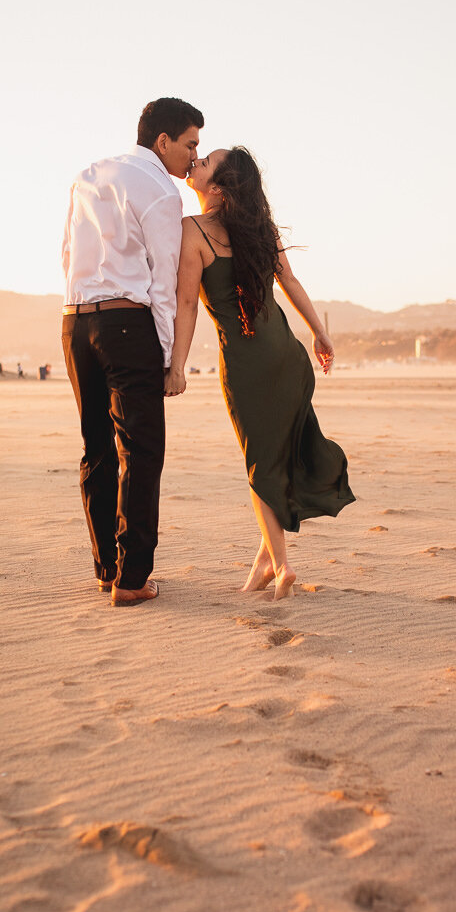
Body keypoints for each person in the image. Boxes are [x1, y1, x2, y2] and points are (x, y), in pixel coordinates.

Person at [166, 147, 354, 598]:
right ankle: (265, 563)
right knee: (270, 459)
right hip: (288, 357)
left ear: (218, 186)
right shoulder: (258, 231)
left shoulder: (192, 231)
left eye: (205, 160)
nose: (196, 162)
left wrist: (177, 366)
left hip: (247, 365)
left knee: (259, 466)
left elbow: (188, 305)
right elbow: (290, 283)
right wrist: (320, 334)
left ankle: (284, 565)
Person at [61, 97, 203, 608]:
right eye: (190, 144)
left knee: (96, 448)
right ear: (162, 142)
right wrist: (169, 359)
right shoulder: (162, 191)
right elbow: (163, 282)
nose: (194, 156)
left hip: (75, 321)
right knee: (141, 453)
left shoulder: (88, 175)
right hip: (128, 323)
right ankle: (132, 578)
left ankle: (106, 569)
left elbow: (67, 254)